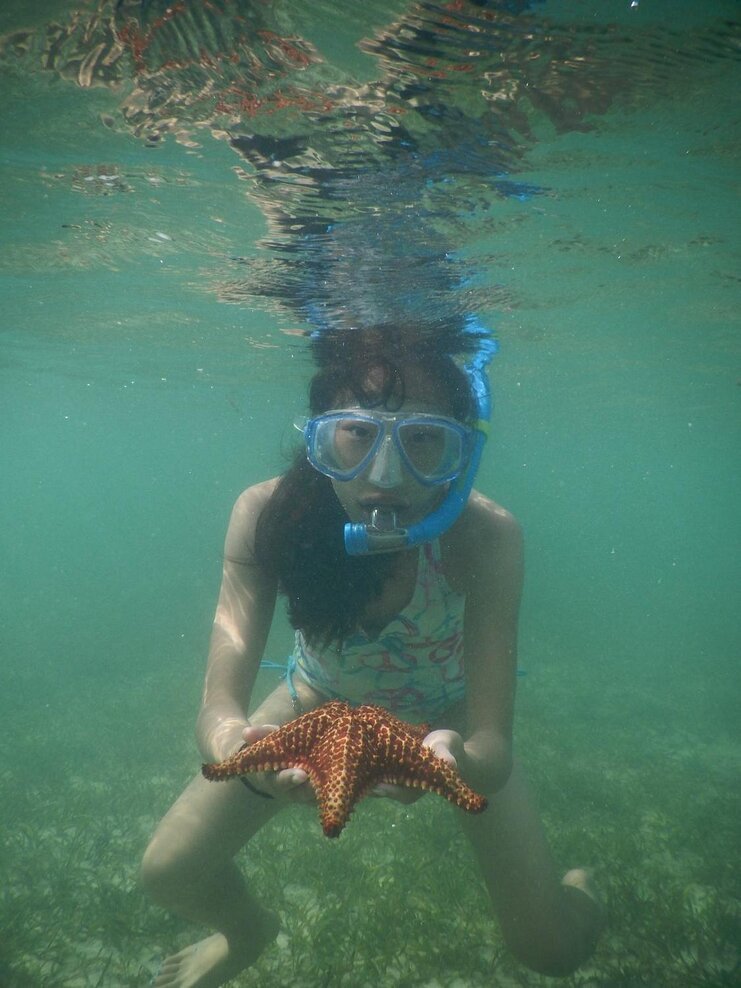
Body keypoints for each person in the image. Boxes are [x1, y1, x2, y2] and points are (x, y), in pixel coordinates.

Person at [141, 335, 605, 988]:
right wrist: (243, 747)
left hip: (448, 717)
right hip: (313, 697)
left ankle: (581, 889)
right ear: (316, 439)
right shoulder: (264, 515)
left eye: (423, 441)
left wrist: (461, 761)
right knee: (169, 872)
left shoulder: (484, 533)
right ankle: (247, 930)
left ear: (461, 455)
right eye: (355, 434)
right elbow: (218, 710)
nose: (384, 478)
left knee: (551, 949)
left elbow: (492, 744)